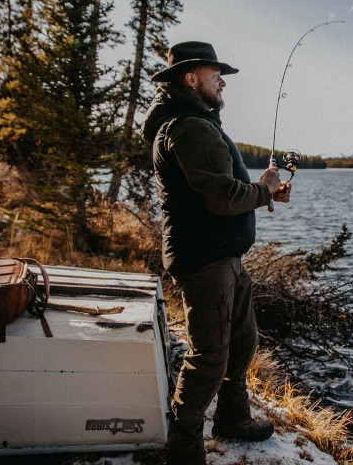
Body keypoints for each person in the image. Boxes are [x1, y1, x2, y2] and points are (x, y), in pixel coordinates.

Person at [141, 41, 291, 465]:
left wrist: (263, 192)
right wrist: (266, 190)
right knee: (209, 357)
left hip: (222, 255)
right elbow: (223, 198)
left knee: (243, 342)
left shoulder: (192, 122)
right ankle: (183, 447)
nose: (222, 81)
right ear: (191, 79)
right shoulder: (190, 127)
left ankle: (232, 418)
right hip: (206, 259)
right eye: (214, 73)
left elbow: (220, 192)